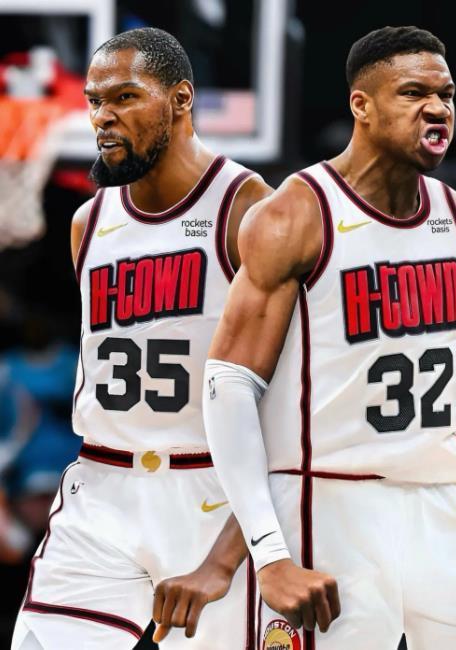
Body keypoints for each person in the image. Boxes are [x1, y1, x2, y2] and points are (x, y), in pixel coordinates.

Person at [203, 25, 456, 649]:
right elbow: (227, 387)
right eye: (414, 93)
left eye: (445, 95)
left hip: (446, 503)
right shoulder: (294, 216)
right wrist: (269, 552)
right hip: (329, 503)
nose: (437, 108)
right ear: (361, 105)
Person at [12, 27, 271, 650]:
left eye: (125, 97)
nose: (103, 116)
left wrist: (243, 545)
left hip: (214, 490)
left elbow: (291, 400)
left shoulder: (246, 208)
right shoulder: (90, 221)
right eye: (95, 100)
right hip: (102, 485)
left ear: (181, 100)